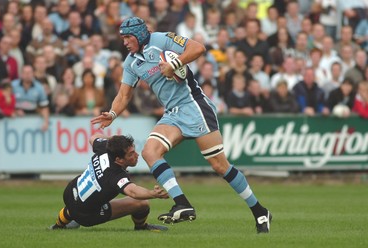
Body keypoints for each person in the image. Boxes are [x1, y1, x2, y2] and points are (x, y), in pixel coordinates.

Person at [91, 17, 272, 234]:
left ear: (139, 34)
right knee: (150, 152)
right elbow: (124, 94)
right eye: (122, 38)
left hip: (194, 106)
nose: (125, 42)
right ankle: (183, 203)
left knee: (219, 166)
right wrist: (112, 113)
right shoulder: (131, 62)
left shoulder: (162, 39)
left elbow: (198, 48)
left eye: (128, 37)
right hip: (173, 114)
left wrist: (174, 64)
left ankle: (260, 211)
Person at [50, 133, 169, 231]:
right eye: (131, 154)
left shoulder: (105, 149)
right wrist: (153, 194)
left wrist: (114, 140)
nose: (137, 155)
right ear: (119, 159)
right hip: (87, 216)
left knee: (81, 203)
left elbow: (93, 138)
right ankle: (141, 228)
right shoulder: (115, 175)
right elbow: (132, 191)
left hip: (70, 193)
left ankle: (58, 226)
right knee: (142, 204)